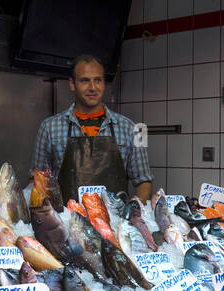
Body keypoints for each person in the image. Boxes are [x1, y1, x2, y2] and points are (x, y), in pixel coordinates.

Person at [32, 54, 152, 205]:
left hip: (115, 223)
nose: (93, 87)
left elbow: (144, 181)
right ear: (72, 84)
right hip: (68, 222)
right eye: (84, 81)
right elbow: (37, 181)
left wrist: (133, 213)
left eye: (98, 80)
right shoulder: (48, 128)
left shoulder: (133, 128)